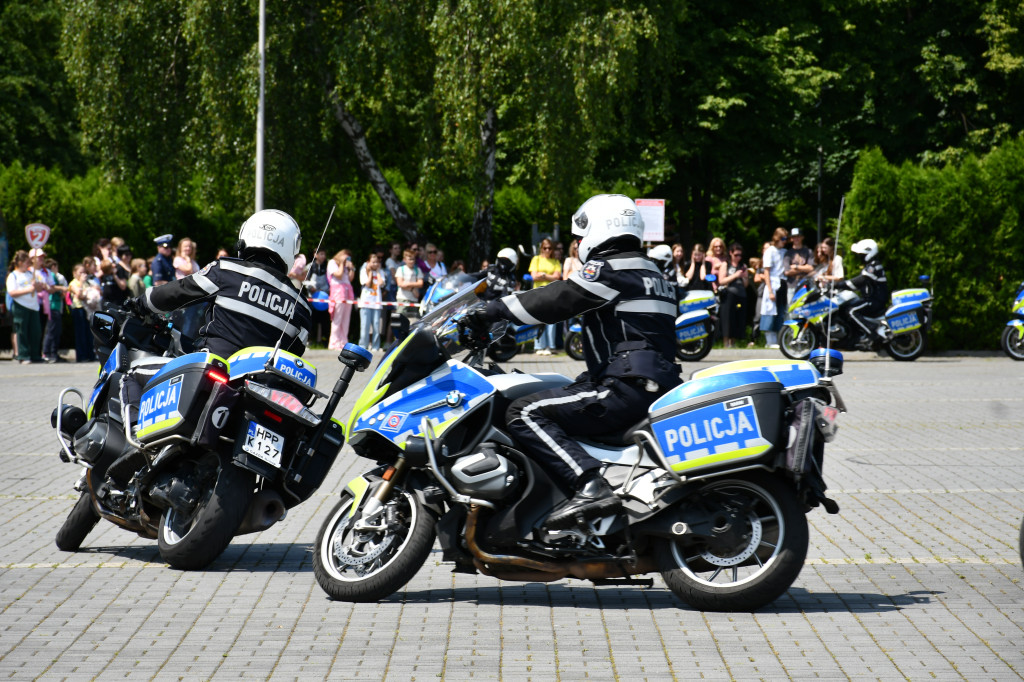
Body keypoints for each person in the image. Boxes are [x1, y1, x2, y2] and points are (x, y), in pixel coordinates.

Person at [464, 194, 681, 528]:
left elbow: (559, 297)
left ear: (602, 228)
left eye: (581, 236)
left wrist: (493, 310)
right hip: (651, 382)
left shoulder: (611, 269)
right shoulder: (654, 272)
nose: (579, 243)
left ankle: (590, 486)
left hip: (625, 386)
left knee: (523, 411)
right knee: (563, 389)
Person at [840, 238, 889, 348]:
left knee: (851, 311)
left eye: (861, 254)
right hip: (872, 299)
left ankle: (872, 333)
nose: (859, 257)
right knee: (849, 306)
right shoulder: (871, 265)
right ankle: (858, 335)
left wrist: (840, 284)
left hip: (874, 300)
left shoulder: (873, 266)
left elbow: (861, 280)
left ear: (868, 253)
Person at [6, 250, 45, 364]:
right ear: (20, 262)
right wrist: (28, 289)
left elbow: (39, 289)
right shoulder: (13, 276)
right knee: (22, 331)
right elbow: (12, 292)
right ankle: (23, 355)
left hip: (33, 306)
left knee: (36, 331)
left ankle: (35, 354)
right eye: (27, 262)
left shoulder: (29, 274)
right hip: (20, 306)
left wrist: (37, 286)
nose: (29, 264)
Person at [528, 238, 562, 355]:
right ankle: (539, 346)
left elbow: (557, 277)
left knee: (551, 321)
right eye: (545, 248)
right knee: (538, 319)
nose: (547, 250)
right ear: (541, 248)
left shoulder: (556, 262)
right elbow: (533, 276)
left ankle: (550, 346)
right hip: (538, 293)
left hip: (552, 293)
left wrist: (542, 275)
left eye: (549, 248)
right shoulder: (536, 259)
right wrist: (548, 276)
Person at [758, 228, 788, 348]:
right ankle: (770, 341)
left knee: (780, 311)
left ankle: (778, 339)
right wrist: (770, 290)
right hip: (773, 283)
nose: (785, 241)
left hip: (783, 283)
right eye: (783, 239)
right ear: (777, 238)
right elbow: (767, 272)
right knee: (770, 312)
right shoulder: (770, 251)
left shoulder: (784, 251)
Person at [718, 242, 749, 348]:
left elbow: (746, 285)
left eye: (740, 255)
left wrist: (744, 277)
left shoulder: (743, 266)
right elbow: (721, 280)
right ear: (730, 253)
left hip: (741, 294)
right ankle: (726, 343)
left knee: (737, 318)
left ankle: (734, 342)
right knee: (727, 318)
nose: (738, 257)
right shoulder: (725, 264)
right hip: (728, 294)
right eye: (736, 255)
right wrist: (735, 275)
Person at [327, 249, 356, 350]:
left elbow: (350, 279)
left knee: (346, 319)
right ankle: (334, 342)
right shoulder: (332, 263)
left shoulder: (346, 266)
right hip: (338, 292)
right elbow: (338, 275)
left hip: (348, 291)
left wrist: (352, 269)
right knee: (337, 319)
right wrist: (342, 264)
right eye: (345, 256)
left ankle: (343, 342)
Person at [68, 264, 98, 362]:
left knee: (88, 333)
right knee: (80, 333)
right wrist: (81, 282)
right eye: (80, 272)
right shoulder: (73, 283)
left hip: (87, 309)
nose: (83, 275)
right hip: (78, 308)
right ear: (74, 273)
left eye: (84, 272)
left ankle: (90, 354)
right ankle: (81, 356)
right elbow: (79, 295)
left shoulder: (87, 283)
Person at [358, 251, 386, 351]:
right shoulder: (363, 271)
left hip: (377, 303)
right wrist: (370, 273)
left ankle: (375, 346)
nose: (375, 264)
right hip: (365, 303)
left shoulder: (380, 272)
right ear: (368, 262)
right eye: (373, 262)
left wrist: (377, 272)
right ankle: (363, 346)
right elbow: (367, 284)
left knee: (376, 326)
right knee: (365, 326)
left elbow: (381, 283)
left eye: (376, 262)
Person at [42, 258, 68, 363]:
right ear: (53, 267)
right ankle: (47, 353)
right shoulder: (51, 275)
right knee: (51, 331)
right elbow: (51, 287)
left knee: (56, 331)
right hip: (53, 306)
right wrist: (62, 288)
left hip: (56, 305)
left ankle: (53, 353)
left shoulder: (52, 276)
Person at [782, 227, 813, 311]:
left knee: (805, 309)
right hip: (791, 285)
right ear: (791, 239)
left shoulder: (808, 251)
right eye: (794, 237)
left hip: (805, 286)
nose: (796, 238)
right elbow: (787, 272)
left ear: (802, 237)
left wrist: (795, 267)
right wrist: (804, 268)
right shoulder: (788, 253)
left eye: (798, 236)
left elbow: (811, 268)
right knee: (791, 309)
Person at [307, 248, 331, 345]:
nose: (323, 256)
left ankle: (325, 340)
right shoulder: (310, 266)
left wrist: (328, 290)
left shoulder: (327, 266)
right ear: (315, 255)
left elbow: (330, 280)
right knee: (312, 320)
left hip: (325, 298)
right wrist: (311, 288)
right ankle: (311, 340)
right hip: (313, 297)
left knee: (325, 321)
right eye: (321, 254)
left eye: (324, 254)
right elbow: (306, 280)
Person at [395, 247, 425, 320]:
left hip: (413, 299)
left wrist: (407, 284)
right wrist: (412, 288)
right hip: (402, 298)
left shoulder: (417, 270)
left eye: (413, 259)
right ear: (404, 260)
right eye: (410, 259)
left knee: (412, 321)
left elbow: (420, 284)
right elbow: (400, 284)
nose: (412, 261)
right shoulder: (400, 269)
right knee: (400, 321)